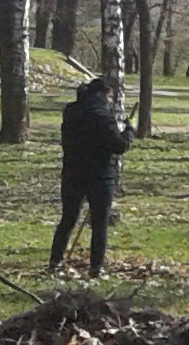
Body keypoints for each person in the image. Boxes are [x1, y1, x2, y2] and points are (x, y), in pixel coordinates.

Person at [49, 77, 133, 278]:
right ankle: (96, 266)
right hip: (99, 175)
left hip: (72, 172)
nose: (109, 100)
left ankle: (55, 261)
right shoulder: (102, 117)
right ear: (100, 94)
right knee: (99, 222)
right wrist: (129, 132)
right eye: (108, 96)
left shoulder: (71, 113)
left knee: (68, 218)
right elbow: (118, 146)